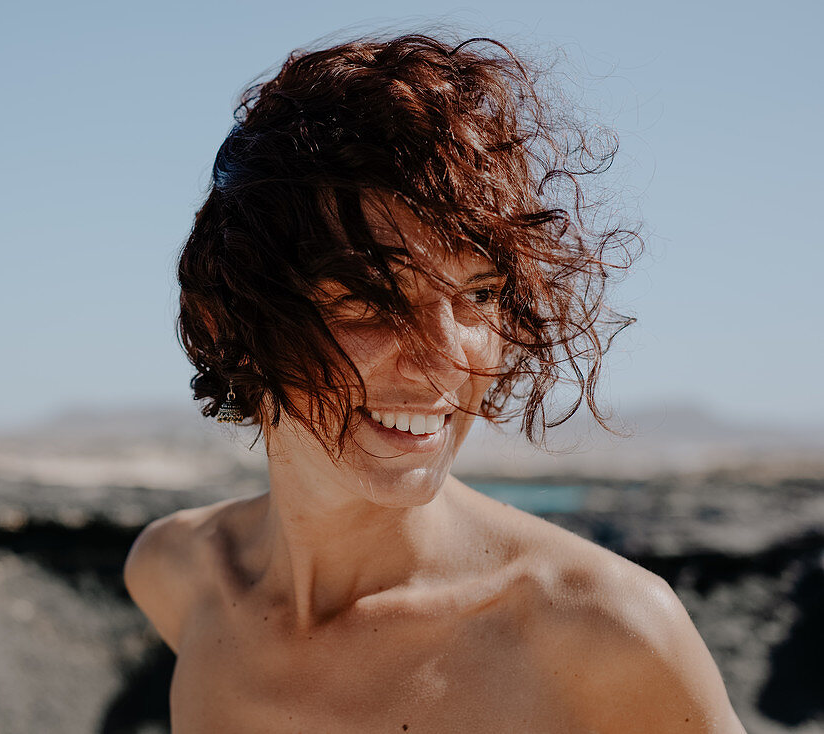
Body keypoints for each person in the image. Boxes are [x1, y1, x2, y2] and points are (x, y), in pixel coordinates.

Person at [124, 32, 746, 733]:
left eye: (478, 296)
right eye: (371, 299)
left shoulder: (601, 634)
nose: (446, 359)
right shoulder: (180, 575)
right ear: (230, 314)